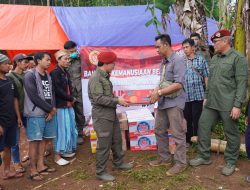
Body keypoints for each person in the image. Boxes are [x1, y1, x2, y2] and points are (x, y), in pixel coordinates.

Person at [189, 30, 248, 176]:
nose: (214, 44)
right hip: (212, 102)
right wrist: (206, 97)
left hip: (228, 104)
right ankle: (203, 156)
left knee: (231, 133)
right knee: (203, 126)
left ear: (226, 41)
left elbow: (242, 84)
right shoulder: (215, 58)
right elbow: (212, 81)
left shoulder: (238, 58)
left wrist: (237, 105)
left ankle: (230, 161)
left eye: (216, 42)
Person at [88, 51, 133, 181]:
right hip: (102, 116)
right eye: (113, 63)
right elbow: (98, 99)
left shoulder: (104, 76)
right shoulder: (96, 78)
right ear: (106, 63)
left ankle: (118, 163)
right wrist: (117, 100)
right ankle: (100, 172)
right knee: (104, 145)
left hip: (109, 114)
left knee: (116, 140)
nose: (114, 65)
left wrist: (118, 99)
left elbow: (107, 96)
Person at [149, 34, 187, 176]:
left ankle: (181, 163)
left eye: (158, 47)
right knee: (159, 130)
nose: (156, 50)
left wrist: (158, 92)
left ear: (166, 45)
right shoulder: (163, 62)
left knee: (178, 133)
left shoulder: (178, 60)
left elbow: (178, 84)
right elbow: (162, 81)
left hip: (175, 102)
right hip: (163, 102)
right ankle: (165, 158)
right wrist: (154, 92)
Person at [24, 52, 57, 181]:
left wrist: (51, 110)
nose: (49, 62)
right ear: (38, 61)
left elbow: (52, 94)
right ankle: (32, 170)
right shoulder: (30, 75)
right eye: (47, 60)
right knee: (34, 141)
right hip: (35, 114)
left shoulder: (47, 75)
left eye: (50, 60)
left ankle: (41, 165)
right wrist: (50, 109)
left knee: (44, 139)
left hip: (49, 112)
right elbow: (33, 96)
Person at [51, 50, 78, 166]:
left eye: (69, 59)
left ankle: (65, 150)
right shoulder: (55, 72)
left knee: (69, 127)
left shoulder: (65, 72)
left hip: (67, 104)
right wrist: (70, 98)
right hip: (60, 105)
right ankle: (57, 155)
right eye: (65, 59)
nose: (68, 61)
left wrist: (70, 98)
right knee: (61, 129)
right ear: (58, 60)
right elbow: (57, 90)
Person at [7, 53, 32, 174]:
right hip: (14, 112)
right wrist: (17, 116)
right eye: (25, 62)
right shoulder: (9, 77)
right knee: (15, 139)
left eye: (28, 62)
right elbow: (12, 98)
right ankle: (16, 162)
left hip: (28, 110)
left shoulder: (28, 75)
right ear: (17, 62)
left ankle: (31, 156)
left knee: (31, 136)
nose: (27, 64)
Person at [0, 54, 23, 180]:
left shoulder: (10, 80)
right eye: (5, 63)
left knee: (8, 146)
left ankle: (7, 171)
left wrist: (18, 117)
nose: (8, 65)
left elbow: (15, 99)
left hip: (12, 120)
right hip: (1, 122)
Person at [182, 39, 209, 146]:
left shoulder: (201, 60)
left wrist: (207, 94)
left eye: (187, 47)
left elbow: (206, 76)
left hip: (198, 95)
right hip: (185, 96)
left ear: (193, 47)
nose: (185, 50)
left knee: (197, 119)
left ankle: (198, 141)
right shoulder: (181, 61)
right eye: (183, 48)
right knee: (187, 119)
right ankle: (188, 141)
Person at [64, 41, 86, 145]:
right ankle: (72, 134)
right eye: (69, 51)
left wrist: (79, 57)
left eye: (73, 50)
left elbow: (87, 68)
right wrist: (68, 59)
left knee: (80, 112)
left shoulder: (81, 58)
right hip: (68, 91)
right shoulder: (64, 60)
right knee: (69, 114)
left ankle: (80, 134)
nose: (72, 52)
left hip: (80, 90)